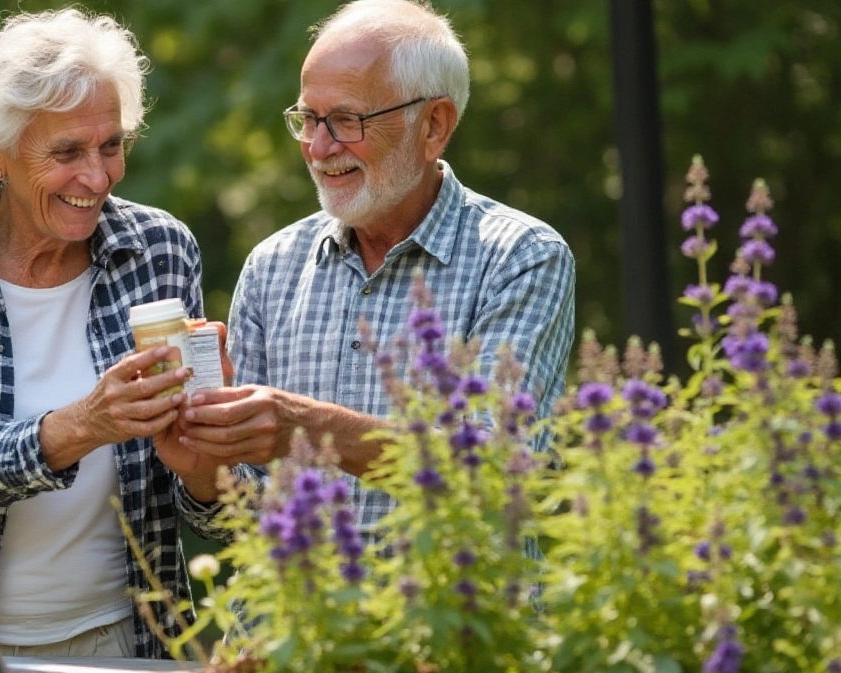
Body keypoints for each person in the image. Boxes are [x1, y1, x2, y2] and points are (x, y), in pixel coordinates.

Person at [0, 8, 222, 665]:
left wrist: (207, 464)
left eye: (111, 144)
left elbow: (203, 510)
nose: (98, 176)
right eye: (66, 152)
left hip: (125, 636)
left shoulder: (161, 250)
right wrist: (90, 421)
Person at [177, 0, 576, 533]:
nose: (319, 148)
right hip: (294, 617)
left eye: (345, 120)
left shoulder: (520, 257)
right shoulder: (273, 266)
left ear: (434, 124)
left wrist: (310, 427)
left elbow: (498, 480)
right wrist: (205, 463)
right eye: (308, 119)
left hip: (450, 614)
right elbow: (239, 524)